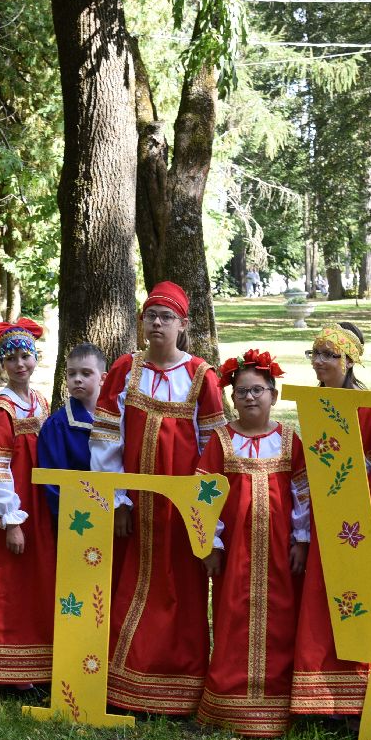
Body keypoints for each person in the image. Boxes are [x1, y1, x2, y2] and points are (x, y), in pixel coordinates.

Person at [92, 281, 226, 715]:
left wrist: (204, 512)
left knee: (181, 589)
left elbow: (214, 445)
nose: (156, 323)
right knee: (131, 584)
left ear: (182, 325)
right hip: (136, 505)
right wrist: (118, 501)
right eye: (150, 315)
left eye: (166, 317)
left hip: (182, 508)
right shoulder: (125, 370)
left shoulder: (202, 376)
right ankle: (125, 683)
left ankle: (180, 686)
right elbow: (107, 438)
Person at [288, 322, 371, 718]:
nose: (320, 362)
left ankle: (360, 692)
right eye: (316, 353)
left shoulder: (365, 404)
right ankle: (321, 693)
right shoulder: (314, 401)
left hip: (361, 511)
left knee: (360, 590)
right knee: (324, 591)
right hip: (325, 508)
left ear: (349, 360)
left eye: (329, 354)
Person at [197, 349, 309, 736]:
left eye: (258, 390)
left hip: (280, 550)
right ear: (231, 398)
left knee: (282, 618)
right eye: (241, 391)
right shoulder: (221, 441)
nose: (249, 398)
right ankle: (229, 701)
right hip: (237, 553)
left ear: (274, 396)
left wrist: (302, 540)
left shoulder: (291, 440)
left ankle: (279, 700)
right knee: (232, 617)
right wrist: (210, 544)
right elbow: (204, 496)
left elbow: (303, 495)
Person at [0, 319, 57, 689]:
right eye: (11, 359)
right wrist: (11, 520)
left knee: (38, 581)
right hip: (15, 512)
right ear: (2, 364)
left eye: (26, 356)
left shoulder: (39, 402)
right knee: (10, 583)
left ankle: (38, 663)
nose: (20, 364)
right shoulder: (1, 412)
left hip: (40, 506)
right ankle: (7, 668)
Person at [36, 343, 107, 523]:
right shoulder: (57, 425)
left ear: (103, 378)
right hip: (78, 517)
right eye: (71, 373)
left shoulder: (117, 418)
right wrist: (71, 515)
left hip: (119, 513)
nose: (77, 379)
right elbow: (53, 478)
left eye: (86, 373)